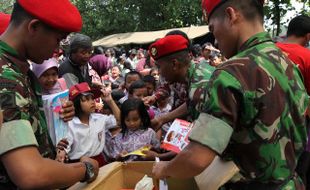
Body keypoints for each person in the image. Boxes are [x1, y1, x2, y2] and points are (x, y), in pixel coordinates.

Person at [152, 0, 308, 189]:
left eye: (213, 28)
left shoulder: (231, 72)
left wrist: (165, 169)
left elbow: (197, 158)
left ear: (231, 15)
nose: (215, 39)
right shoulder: (288, 63)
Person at [0, 1, 99, 189]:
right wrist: (86, 168)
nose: (58, 49)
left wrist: (53, 116)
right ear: (34, 27)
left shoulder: (19, 69)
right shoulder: (6, 78)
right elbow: (31, 174)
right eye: (57, 39)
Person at [276, 15, 310, 188]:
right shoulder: (306, 57)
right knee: (298, 174)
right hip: (297, 130)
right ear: (308, 36)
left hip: (265, 130)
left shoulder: (266, 51)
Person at [62, 82, 120, 167]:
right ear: (76, 103)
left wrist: (110, 101)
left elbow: (119, 121)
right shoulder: (70, 124)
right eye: (86, 99)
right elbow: (64, 150)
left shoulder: (99, 118)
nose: (92, 102)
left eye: (92, 98)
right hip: (79, 165)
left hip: (99, 162)